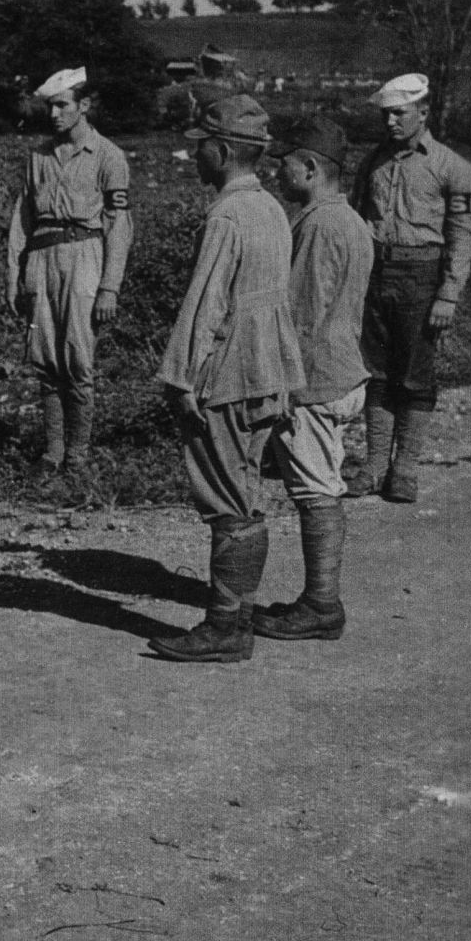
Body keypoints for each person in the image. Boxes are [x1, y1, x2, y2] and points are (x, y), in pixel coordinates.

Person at [151, 94, 304, 663]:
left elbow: (205, 306)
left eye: (201, 148)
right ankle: (236, 619)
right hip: (267, 370)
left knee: (226, 500)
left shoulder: (226, 217)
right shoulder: (271, 209)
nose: (196, 157)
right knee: (245, 493)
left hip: (227, 374)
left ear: (219, 151)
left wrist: (181, 379)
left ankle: (224, 628)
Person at [255, 116, 375, 641]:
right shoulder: (348, 220)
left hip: (314, 381)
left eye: (283, 163)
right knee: (319, 485)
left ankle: (323, 605)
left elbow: (303, 315)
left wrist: (282, 385)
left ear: (308, 167)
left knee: (316, 491)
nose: (276, 172)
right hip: (341, 370)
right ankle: (318, 600)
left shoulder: (321, 225)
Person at [348, 73, 471, 502]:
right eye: (385, 114)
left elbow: (464, 234)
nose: (390, 122)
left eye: (398, 113)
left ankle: (404, 468)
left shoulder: (452, 167)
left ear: (423, 112)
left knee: (415, 374)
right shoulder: (373, 162)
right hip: (374, 274)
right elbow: (356, 216)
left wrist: (448, 294)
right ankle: (374, 467)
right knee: (375, 371)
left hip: (422, 277)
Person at [6, 66, 132, 480]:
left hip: (84, 258)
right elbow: (22, 220)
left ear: (84, 106)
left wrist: (110, 286)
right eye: (50, 107)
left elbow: (118, 224)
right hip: (41, 260)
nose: (54, 114)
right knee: (45, 359)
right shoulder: (39, 157)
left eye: (62, 105)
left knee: (78, 358)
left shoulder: (108, 156)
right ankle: (52, 452)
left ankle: (78, 456)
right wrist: (13, 275)